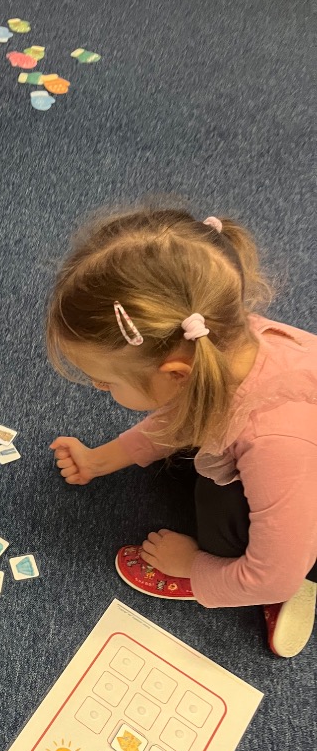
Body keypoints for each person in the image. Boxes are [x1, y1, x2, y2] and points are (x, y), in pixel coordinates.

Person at [47, 207, 317, 658]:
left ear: (176, 373)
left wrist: (193, 566)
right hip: (294, 472)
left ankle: (305, 574)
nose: (97, 386)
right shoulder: (217, 340)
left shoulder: (274, 444)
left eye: (106, 382)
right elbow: (186, 410)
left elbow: (273, 576)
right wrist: (102, 459)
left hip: (294, 499)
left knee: (218, 510)